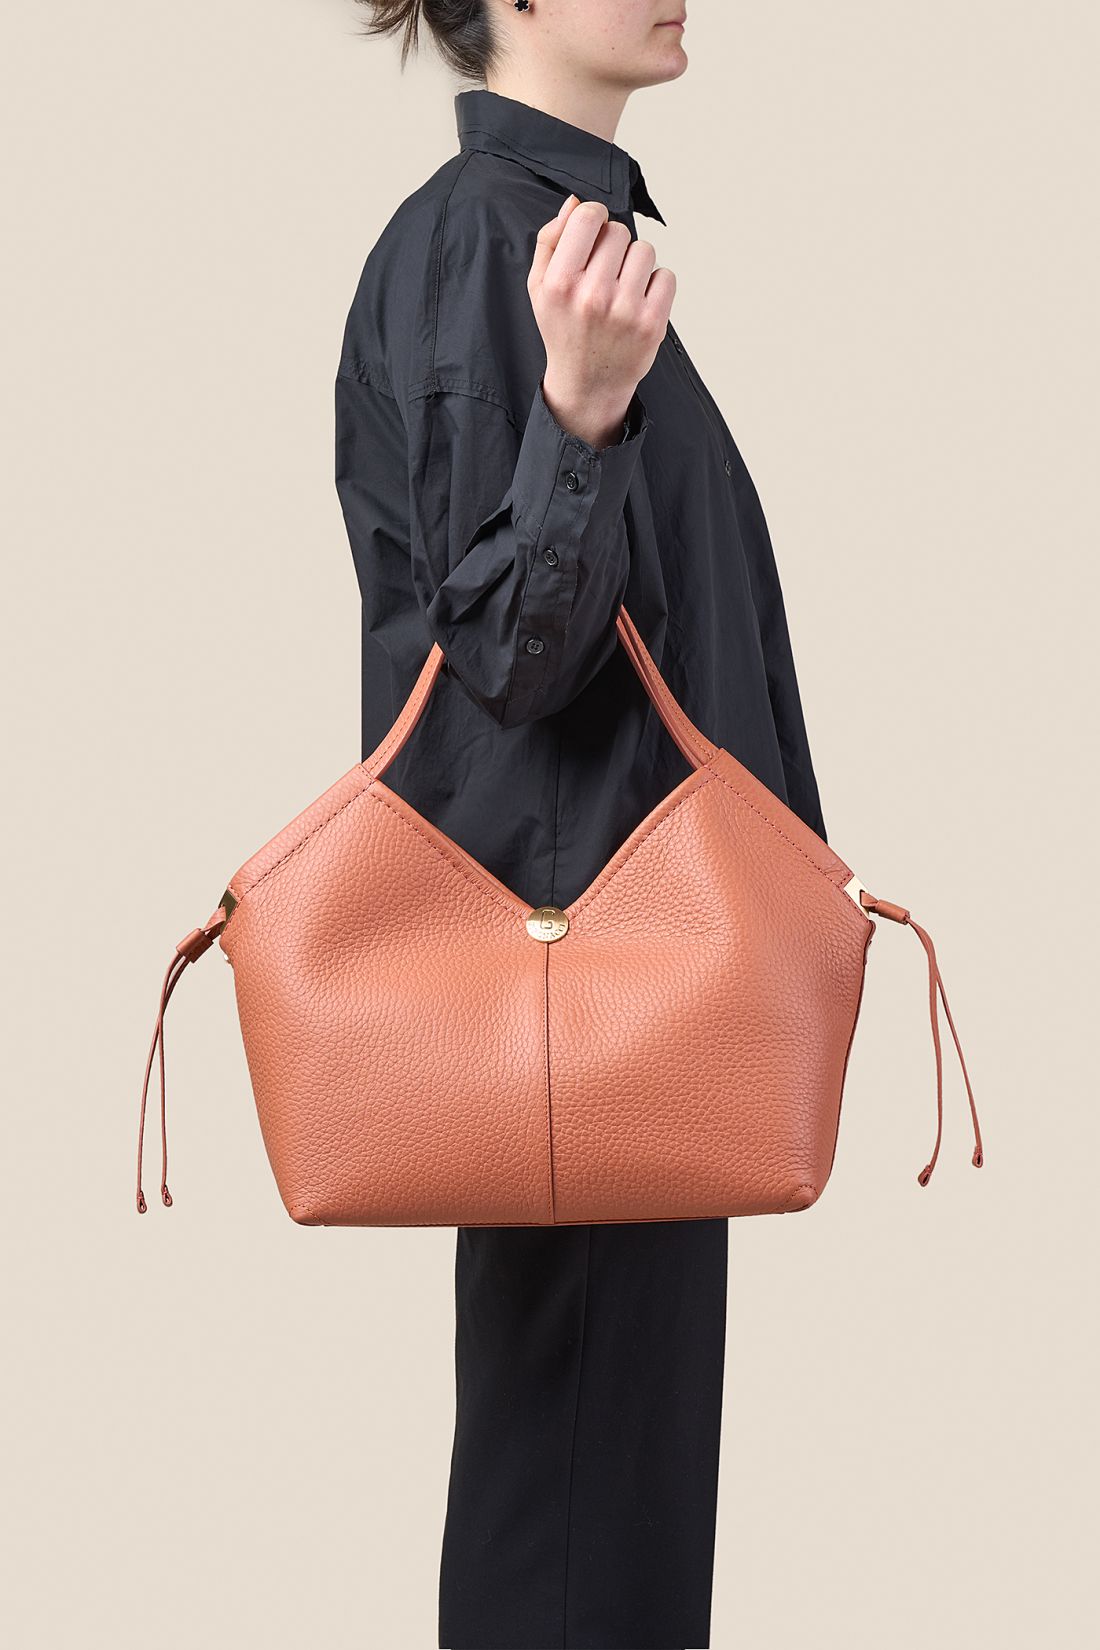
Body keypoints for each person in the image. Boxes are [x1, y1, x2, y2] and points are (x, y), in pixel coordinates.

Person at [335, 5, 827, 1646]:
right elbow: (507, 663)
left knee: (607, 1516)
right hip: (591, 997)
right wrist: (582, 418)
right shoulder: (485, 246)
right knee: (578, 1533)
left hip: (639, 998)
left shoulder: (557, 243)